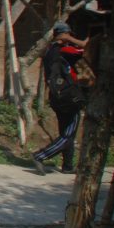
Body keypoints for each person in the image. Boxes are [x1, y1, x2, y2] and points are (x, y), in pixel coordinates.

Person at [31, 21, 88, 175]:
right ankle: (40, 156)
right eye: (68, 35)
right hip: (69, 97)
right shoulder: (65, 50)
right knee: (68, 135)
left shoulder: (50, 50)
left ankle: (67, 166)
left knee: (67, 132)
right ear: (64, 35)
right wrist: (72, 39)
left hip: (57, 96)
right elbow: (86, 48)